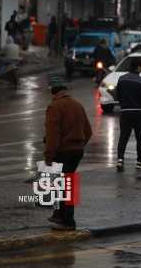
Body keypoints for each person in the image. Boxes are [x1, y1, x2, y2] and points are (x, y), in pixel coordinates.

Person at [44, 75, 92, 231]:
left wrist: (49, 156)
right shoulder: (77, 105)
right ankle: (59, 215)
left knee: (62, 185)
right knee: (67, 183)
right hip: (77, 152)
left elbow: (53, 135)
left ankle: (68, 220)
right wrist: (78, 144)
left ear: (52, 90)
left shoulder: (55, 107)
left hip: (62, 152)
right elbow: (88, 131)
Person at [116, 57, 141, 171]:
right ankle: (139, 162)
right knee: (140, 138)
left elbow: (118, 96)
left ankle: (120, 160)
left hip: (125, 112)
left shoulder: (121, 79)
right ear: (138, 67)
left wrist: (124, 105)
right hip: (139, 113)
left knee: (123, 137)